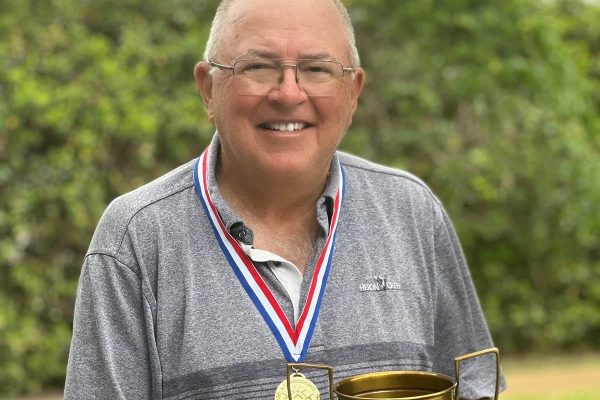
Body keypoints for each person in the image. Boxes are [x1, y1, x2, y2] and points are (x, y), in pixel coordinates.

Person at [65, 0, 505, 399]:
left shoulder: (412, 213)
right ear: (208, 89)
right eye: (258, 67)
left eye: (316, 69)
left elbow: (474, 388)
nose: (289, 94)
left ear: (353, 92)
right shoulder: (138, 238)